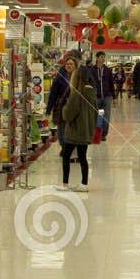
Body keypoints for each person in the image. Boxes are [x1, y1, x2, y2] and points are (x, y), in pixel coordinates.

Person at [57, 62, 97, 191]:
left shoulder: (76, 93)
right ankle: (84, 184)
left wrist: (64, 108)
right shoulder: (92, 92)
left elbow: (68, 115)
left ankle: (65, 184)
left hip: (75, 131)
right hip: (86, 130)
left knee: (66, 156)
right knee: (82, 157)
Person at [87, 50, 114, 139]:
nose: (103, 59)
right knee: (98, 116)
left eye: (104, 57)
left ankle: (103, 134)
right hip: (96, 97)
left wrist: (114, 96)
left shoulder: (108, 70)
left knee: (106, 116)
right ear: (97, 58)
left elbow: (111, 83)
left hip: (107, 97)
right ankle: (97, 133)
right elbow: (89, 83)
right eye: (101, 57)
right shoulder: (91, 70)